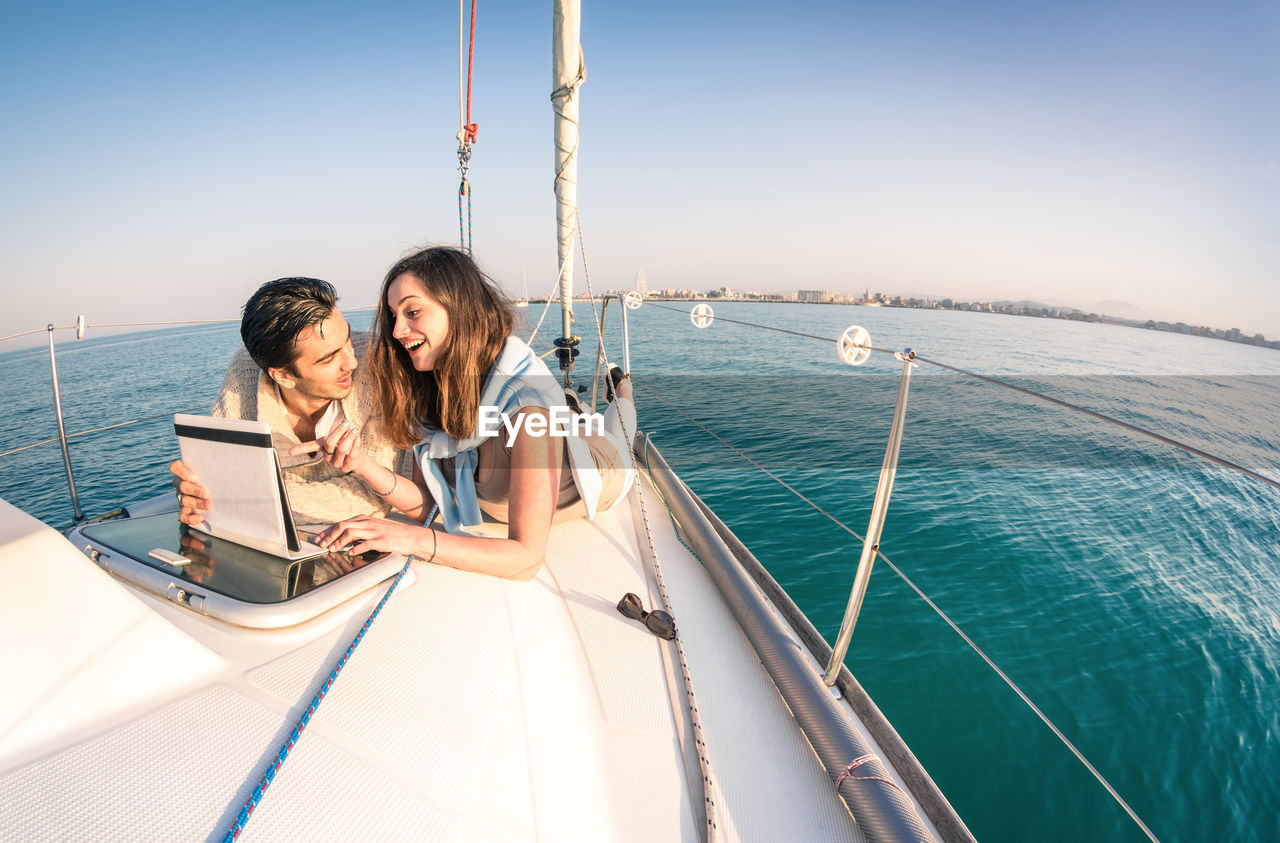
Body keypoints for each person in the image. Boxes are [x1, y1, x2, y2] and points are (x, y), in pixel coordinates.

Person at [309, 246, 635, 581]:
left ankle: (623, 390)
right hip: (550, 438)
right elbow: (429, 502)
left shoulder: (528, 409)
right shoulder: (431, 390)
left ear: (460, 309)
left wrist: (409, 538)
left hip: (605, 467)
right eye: (394, 316)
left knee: (621, 430)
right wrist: (362, 465)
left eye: (413, 312)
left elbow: (526, 559)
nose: (396, 331)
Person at [171, 277, 412, 528]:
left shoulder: (380, 365)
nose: (351, 362)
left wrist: (234, 499)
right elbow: (216, 475)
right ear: (283, 376)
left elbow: (375, 495)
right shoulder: (246, 371)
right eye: (328, 359)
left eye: (347, 339)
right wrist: (197, 493)